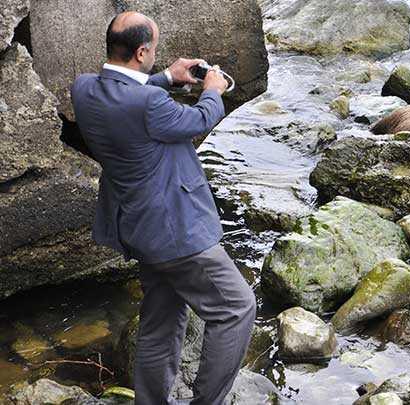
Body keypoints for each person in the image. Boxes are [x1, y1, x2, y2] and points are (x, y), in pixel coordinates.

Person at [71, 11, 256, 405]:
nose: (155, 55)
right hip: (177, 233)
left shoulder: (84, 89)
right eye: (153, 49)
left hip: (138, 229)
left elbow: (126, 95)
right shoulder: (151, 104)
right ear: (141, 52)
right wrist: (211, 87)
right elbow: (201, 118)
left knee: (161, 321)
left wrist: (169, 77)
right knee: (237, 308)